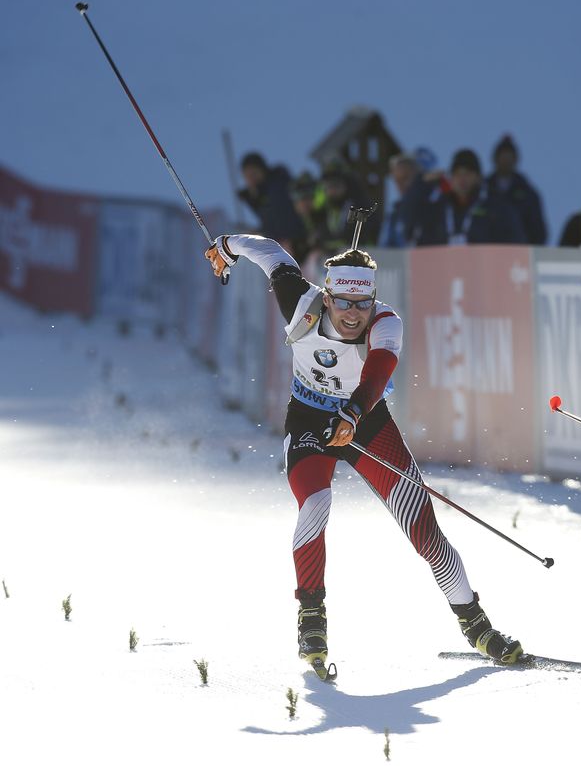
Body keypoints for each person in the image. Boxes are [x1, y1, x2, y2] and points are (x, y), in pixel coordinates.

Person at [203, 225, 523, 678]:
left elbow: (378, 369)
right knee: (316, 502)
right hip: (310, 420)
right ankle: (311, 618)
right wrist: (226, 246)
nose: (353, 314)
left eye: (362, 304)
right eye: (344, 303)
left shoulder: (386, 322)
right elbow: (271, 251)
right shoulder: (300, 302)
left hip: (366, 422)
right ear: (326, 296)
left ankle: (477, 626)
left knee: (424, 532)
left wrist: (352, 414)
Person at [409, 148, 527, 246]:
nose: (462, 179)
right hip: (444, 271)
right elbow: (414, 236)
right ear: (451, 178)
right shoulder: (438, 209)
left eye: (468, 173)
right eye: (457, 174)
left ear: (478, 178)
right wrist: (421, 186)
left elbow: (514, 244)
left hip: (485, 271)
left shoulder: (497, 208)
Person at [486, 134, 547, 245]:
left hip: (519, 256)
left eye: (509, 156)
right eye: (502, 156)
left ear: (516, 160)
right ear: (495, 159)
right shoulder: (482, 191)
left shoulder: (529, 195)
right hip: (487, 254)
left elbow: (539, 232)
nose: (505, 160)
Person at [237, 152, 306, 245]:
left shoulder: (278, 186)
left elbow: (282, 219)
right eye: (247, 177)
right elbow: (270, 224)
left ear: (263, 170)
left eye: (253, 173)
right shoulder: (261, 197)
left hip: (299, 241)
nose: (251, 179)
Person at [378, 152, 420, 247]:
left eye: (405, 178)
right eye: (397, 180)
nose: (401, 185)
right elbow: (384, 248)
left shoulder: (432, 208)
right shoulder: (394, 213)